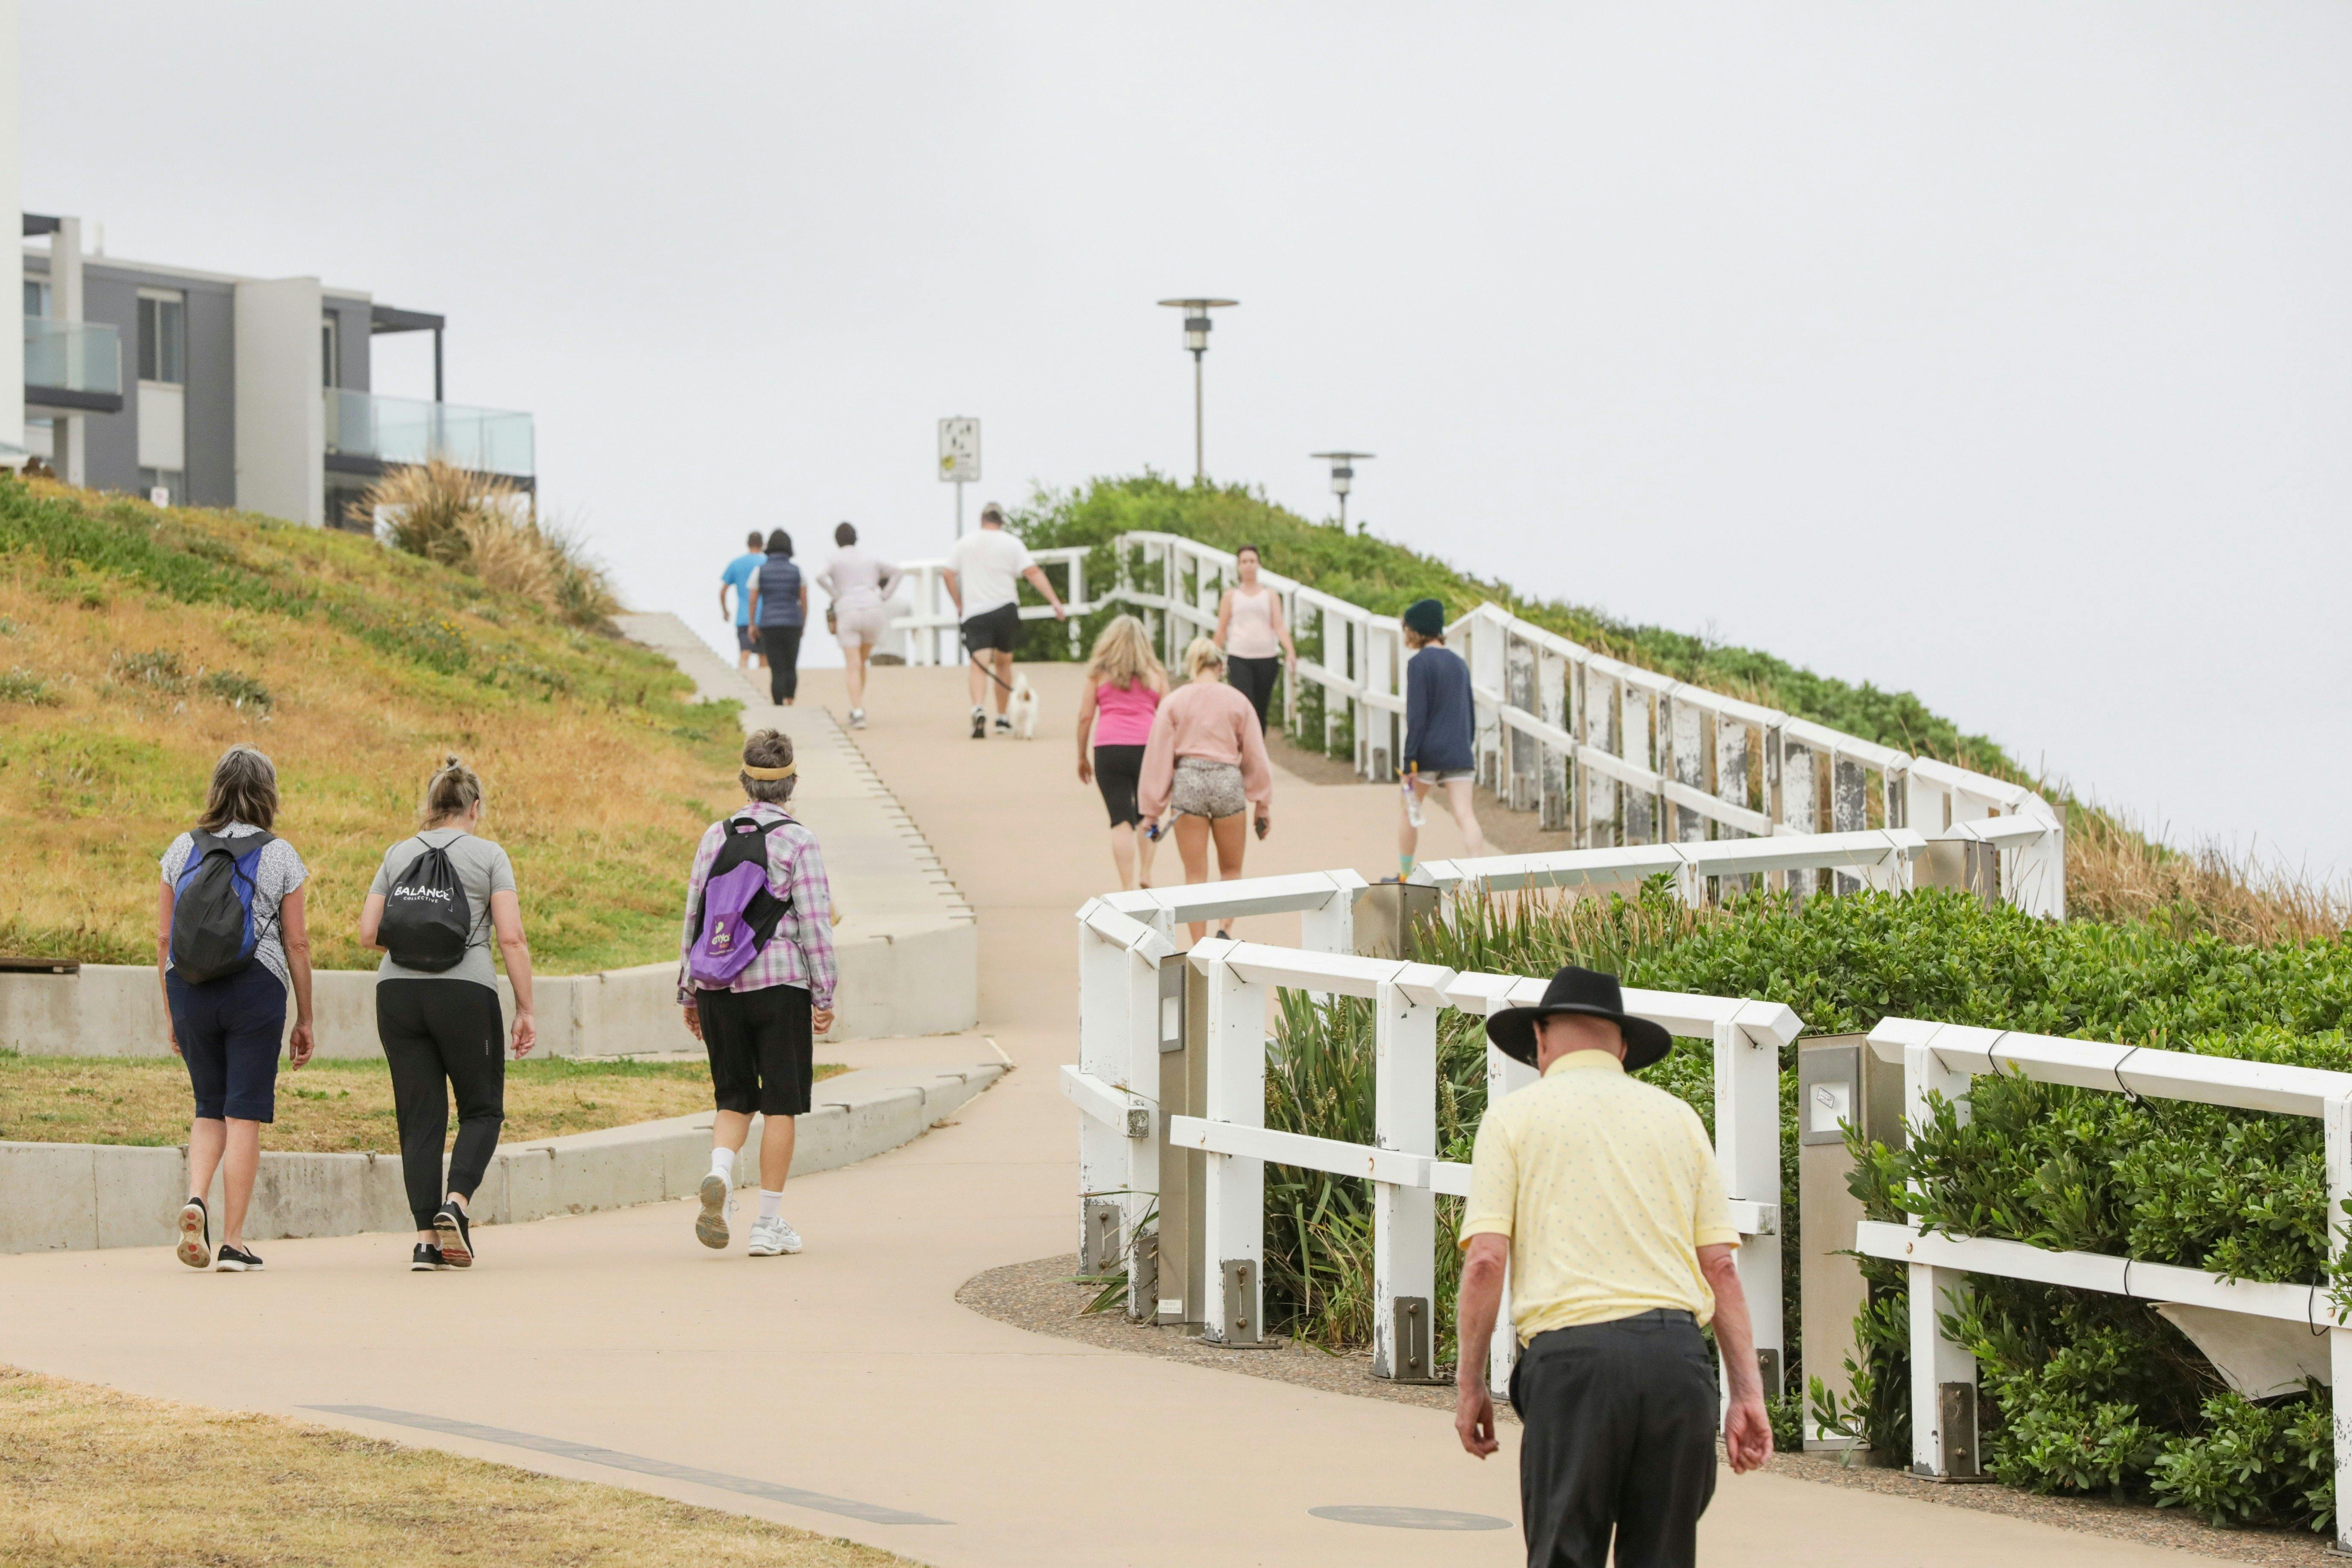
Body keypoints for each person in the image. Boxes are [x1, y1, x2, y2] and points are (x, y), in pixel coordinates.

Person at [1454, 965, 1772, 1567]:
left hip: (1574, 1367)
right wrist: (1746, 1393)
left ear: (1542, 1038)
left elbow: (1487, 1260)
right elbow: (1721, 1269)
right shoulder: (1678, 1117)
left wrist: (1471, 1384)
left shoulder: (1514, 1119)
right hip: (1676, 1366)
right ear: (1622, 1044)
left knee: (1564, 1554)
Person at [358, 756, 538, 1272]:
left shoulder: (398, 854)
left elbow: (368, 932)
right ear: (473, 808)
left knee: (420, 1118)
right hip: (465, 992)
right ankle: (454, 1206)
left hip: (396, 993)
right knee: (482, 1109)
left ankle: (424, 1242)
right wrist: (525, 1008)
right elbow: (511, 937)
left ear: (432, 807)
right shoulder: (489, 855)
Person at [679, 728, 837, 1258]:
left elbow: (695, 917)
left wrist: (689, 990)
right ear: (791, 781)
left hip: (719, 985)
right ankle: (768, 1225)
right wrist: (824, 993)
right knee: (781, 1105)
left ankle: (719, 1171)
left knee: (734, 1098)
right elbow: (815, 923)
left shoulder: (714, 837)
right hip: (779, 985)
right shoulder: (799, 841)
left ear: (744, 779)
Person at [158, 744, 317, 1273]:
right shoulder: (280, 854)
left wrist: (170, 1012)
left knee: (208, 1104)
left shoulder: (181, 848)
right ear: (267, 793)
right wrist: (306, 1016)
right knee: (243, 1111)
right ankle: (232, 1242)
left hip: (190, 987)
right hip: (255, 987)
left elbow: (164, 939)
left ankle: (196, 1197)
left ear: (217, 788)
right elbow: (297, 944)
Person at [1137, 638, 1273, 943]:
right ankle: (1224, 929)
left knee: (1195, 874)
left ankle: (1199, 944)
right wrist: (1262, 804)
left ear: (1192, 664)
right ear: (1221, 666)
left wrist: (1151, 812)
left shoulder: (1175, 701)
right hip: (1227, 780)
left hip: (1189, 782)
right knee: (1231, 869)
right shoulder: (1238, 701)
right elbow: (1254, 754)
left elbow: (1158, 757)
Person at [943, 501, 1067, 739]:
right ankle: (1002, 718)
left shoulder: (964, 543)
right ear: (1002, 521)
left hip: (976, 611)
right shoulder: (1012, 543)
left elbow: (948, 573)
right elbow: (1033, 572)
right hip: (1005, 610)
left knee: (979, 665)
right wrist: (1055, 602)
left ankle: (978, 709)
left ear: (982, 520)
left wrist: (959, 603)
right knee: (1003, 664)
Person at [1398, 596, 1490, 878]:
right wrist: (1466, 746)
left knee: (1409, 811)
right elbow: (1469, 712)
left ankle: (1404, 875)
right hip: (1460, 750)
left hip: (1427, 752)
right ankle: (1477, 877)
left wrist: (1409, 761)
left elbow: (1417, 717)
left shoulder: (1419, 663)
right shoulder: (1460, 664)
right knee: (1465, 814)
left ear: (1416, 630)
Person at [1074, 615, 1168, 892]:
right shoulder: (1156, 676)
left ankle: (1127, 886)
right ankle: (1147, 873)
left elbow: (1084, 717)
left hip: (1109, 749)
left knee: (1121, 821)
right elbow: (1168, 718)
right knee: (1149, 817)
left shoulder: (1098, 675)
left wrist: (1082, 757)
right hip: (1147, 750)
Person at [815, 521, 901, 731]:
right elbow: (897, 572)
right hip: (873, 610)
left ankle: (858, 710)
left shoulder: (834, 559)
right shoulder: (869, 558)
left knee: (853, 665)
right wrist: (884, 595)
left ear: (837, 540)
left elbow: (820, 577)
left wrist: (836, 595)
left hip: (848, 610)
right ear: (856, 538)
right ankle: (858, 705)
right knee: (862, 662)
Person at [1211, 544, 1296, 733]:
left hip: (1266, 658)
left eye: (1252, 561)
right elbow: (1221, 630)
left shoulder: (1270, 595)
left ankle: (1257, 752)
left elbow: (1279, 625)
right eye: (1244, 562)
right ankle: (1243, 747)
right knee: (1244, 704)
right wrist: (1213, 657)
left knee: (1260, 709)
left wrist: (1290, 651)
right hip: (1239, 657)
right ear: (1239, 566)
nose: (1249, 565)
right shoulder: (1231, 596)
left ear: (1259, 565)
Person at [750, 529, 807, 706]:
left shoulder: (761, 571)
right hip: (793, 623)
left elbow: (753, 599)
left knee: (776, 668)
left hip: (769, 624)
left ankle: (778, 705)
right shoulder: (797, 571)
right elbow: (803, 599)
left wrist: (752, 624)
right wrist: (802, 622)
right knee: (791, 664)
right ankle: (790, 700)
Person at [720, 531, 766, 670]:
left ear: (748, 544)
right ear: (762, 545)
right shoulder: (766, 562)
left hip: (743, 617)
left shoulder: (736, 563)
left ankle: (742, 685)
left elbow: (723, 591)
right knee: (764, 657)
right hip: (764, 617)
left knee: (744, 654)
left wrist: (725, 610)